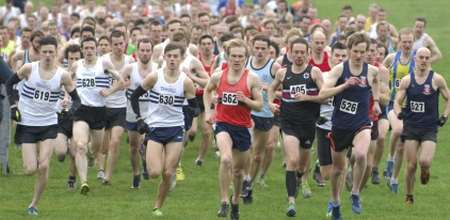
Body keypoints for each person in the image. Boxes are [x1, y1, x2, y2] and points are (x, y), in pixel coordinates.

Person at [5, 36, 81, 215]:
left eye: (51, 52)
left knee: (44, 166)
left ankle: (33, 204)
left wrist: (67, 109)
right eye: (45, 52)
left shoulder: (63, 75)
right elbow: (9, 84)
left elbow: (76, 99)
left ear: (56, 54)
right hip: (27, 123)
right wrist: (14, 106)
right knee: (31, 169)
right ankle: (33, 191)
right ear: (39, 53)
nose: (48, 55)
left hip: (49, 123)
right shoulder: (29, 69)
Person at [129, 42, 197, 217]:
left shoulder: (186, 82)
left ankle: (157, 206)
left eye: (176, 56)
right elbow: (134, 96)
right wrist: (139, 119)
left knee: (168, 173)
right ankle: (145, 148)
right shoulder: (154, 77)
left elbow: (193, 107)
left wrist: (188, 124)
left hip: (175, 130)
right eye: (170, 56)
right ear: (164, 57)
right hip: (155, 128)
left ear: (182, 59)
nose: (173, 59)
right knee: (154, 173)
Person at [319, 32, 380, 219]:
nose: (359, 55)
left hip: (361, 123)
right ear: (349, 50)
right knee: (337, 170)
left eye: (363, 51)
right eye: (355, 51)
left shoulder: (371, 71)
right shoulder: (339, 70)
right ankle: (335, 201)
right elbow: (323, 93)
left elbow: (375, 82)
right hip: (340, 125)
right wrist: (344, 86)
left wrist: (376, 101)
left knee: (361, 154)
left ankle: (355, 192)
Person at [203, 38, 262, 220]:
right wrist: (208, 112)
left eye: (241, 56)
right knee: (226, 159)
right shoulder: (218, 76)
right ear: (227, 57)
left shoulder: (252, 79)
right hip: (222, 124)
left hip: (242, 128)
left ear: (245, 57)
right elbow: (207, 91)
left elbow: (259, 105)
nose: (237, 59)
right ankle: (223, 201)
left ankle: (235, 200)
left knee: (237, 172)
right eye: (234, 56)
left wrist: (246, 100)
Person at [268, 37, 324, 217]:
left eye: (302, 52)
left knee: (302, 165)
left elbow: (324, 96)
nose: (299, 55)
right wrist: (270, 103)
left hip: (308, 124)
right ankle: (291, 201)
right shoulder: (282, 73)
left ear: (308, 54)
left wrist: (306, 96)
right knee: (292, 160)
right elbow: (271, 89)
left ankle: (300, 178)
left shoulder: (314, 72)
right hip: (288, 122)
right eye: (296, 52)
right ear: (290, 53)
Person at [69, 37, 124, 195]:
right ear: (82, 49)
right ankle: (84, 182)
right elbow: (66, 80)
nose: (89, 51)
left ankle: (92, 158)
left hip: (99, 111)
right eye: (86, 48)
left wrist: (109, 91)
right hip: (81, 110)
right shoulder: (76, 65)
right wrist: (67, 96)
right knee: (80, 145)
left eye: (92, 47)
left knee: (97, 148)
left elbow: (120, 81)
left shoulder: (104, 64)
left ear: (96, 49)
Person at [395, 47, 449, 204]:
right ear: (415, 59)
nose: (424, 60)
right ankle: (409, 196)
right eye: (421, 57)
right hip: (411, 127)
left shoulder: (436, 79)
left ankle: (425, 171)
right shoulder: (407, 80)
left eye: (427, 58)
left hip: (429, 128)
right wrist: (399, 113)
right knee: (411, 165)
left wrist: (444, 116)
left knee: (424, 161)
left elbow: (448, 98)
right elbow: (397, 102)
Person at [241, 34, 280, 204]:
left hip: (265, 113)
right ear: (251, 46)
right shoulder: (244, 63)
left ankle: (248, 182)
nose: (259, 51)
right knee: (245, 149)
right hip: (246, 111)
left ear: (269, 50)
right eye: (256, 47)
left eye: (263, 48)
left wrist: (269, 89)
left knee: (257, 155)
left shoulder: (274, 67)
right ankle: (241, 179)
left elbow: (285, 91)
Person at [382, 28, 416, 193]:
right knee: (397, 130)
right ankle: (389, 159)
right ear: (399, 42)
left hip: (410, 108)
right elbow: (379, 74)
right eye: (404, 42)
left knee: (402, 146)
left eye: (410, 42)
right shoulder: (391, 58)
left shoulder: (417, 61)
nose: (407, 45)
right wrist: (383, 88)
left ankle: (394, 178)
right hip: (392, 104)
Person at [100, 30, 134, 185]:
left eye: (121, 43)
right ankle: (101, 169)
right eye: (115, 44)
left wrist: (112, 90)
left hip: (120, 107)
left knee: (115, 141)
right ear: (110, 45)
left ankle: (107, 175)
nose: (119, 47)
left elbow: (128, 83)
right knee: (103, 144)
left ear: (125, 43)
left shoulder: (130, 62)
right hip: (103, 106)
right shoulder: (103, 61)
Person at [122, 38, 153, 188]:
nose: (145, 53)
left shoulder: (157, 69)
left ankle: (147, 162)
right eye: (143, 50)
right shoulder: (130, 69)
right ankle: (136, 173)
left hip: (151, 113)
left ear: (152, 52)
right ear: (137, 51)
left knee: (145, 142)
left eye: (148, 50)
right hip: (132, 111)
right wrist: (123, 85)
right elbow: (119, 83)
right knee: (134, 145)